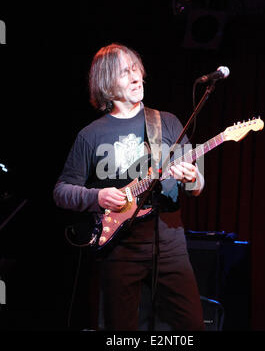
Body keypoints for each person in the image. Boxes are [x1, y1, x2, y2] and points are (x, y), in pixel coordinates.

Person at [53, 43, 205, 331]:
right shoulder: (90, 135)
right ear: (107, 84)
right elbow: (61, 191)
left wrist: (192, 178)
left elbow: (197, 186)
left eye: (137, 70)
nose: (137, 77)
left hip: (170, 246)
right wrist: (97, 196)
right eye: (126, 72)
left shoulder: (168, 123)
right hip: (119, 248)